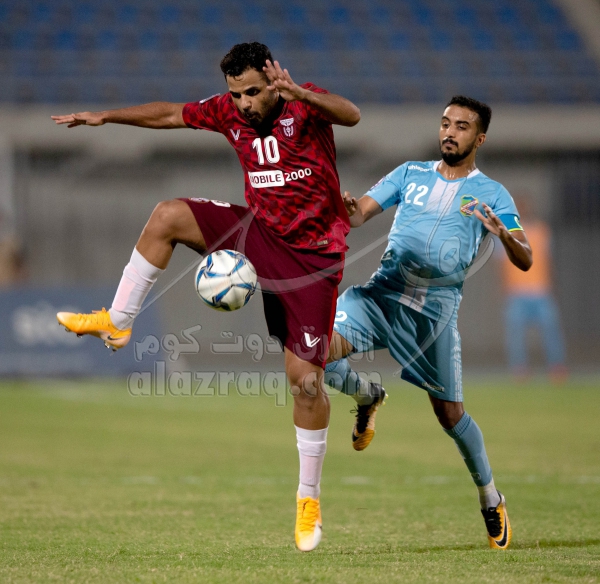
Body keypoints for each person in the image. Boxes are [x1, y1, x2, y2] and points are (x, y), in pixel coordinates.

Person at [51, 42, 361, 552]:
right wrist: (107, 116)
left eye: (252, 92)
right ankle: (118, 319)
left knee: (306, 382)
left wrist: (302, 93)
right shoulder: (228, 111)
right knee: (168, 215)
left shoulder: (305, 104)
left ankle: (308, 501)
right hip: (259, 233)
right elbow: (170, 114)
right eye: (235, 95)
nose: (243, 104)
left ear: (273, 80)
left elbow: (351, 115)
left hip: (312, 259)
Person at [324, 96, 532, 550]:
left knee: (450, 415)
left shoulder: (493, 194)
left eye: (461, 126)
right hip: (381, 296)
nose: (449, 132)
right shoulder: (409, 174)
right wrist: (345, 205)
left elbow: (525, 258)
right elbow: (357, 215)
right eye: (445, 123)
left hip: (432, 316)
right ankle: (367, 395)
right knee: (314, 352)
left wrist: (503, 235)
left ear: (479, 138)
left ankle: (490, 497)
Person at [500, 197, 567, 382]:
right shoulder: (505, 232)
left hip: (541, 290)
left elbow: (548, 259)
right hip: (517, 292)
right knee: (516, 335)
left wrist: (551, 284)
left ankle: (557, 367)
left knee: (551, 331)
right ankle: (520, 370)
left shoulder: (541, 230)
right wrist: (504, 287)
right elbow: (501, 263)